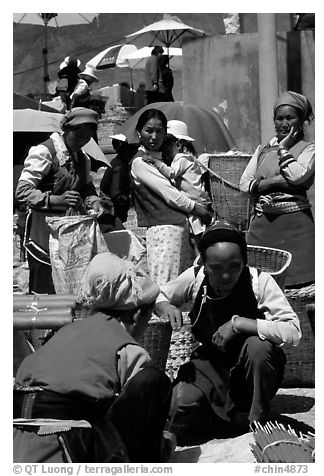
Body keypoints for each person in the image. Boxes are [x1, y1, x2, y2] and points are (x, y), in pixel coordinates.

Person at [13, 252, 176, 463]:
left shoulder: (66, 332)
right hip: (64, 442)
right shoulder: (128, 350)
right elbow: (133, 411)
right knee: (154, 381)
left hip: (15, 437)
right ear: (137, 316)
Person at [155, 220, 301, 445]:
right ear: (204, 264)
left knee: (259, 347)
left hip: (251, 368)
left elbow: (293, 331)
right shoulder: (195, 277)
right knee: (178, 405)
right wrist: (166, 306)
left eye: (234, 266)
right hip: (211, 366)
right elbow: (159, 294)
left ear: (244, 262)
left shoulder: (259, 281)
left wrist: (239, 324)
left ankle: (257, 418)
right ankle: (223, 416)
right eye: (216, 268)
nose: (225, 276)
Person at [15, 107, 103, 295]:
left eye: (87, 137)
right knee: (44, 288)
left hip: (70, 235)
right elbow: (22, 191)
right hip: (43, 233)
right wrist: (55, 200)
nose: (82, 141)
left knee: (70, 287)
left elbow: (86, 186)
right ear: (66, 129)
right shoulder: (44, 152)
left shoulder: (82, 158)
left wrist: (93, 201)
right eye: (79, 135)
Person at [240, 91, 315, 288]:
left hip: (297, 231)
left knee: (300, 289)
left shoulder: (309, 149)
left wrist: (283, 148)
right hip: (262, 230)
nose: (284, 123)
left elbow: (298, 175)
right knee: (260, 287)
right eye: (279, 118)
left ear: (301, 120)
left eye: (290, 118)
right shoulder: (262, 150)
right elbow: (244, 184)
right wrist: (275, 182)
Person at [130, 109, 213, 285]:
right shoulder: (140, 162)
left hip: (178, 229)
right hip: (164, 231)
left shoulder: (163, 160)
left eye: (159, 131)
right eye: (149, 130)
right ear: (139, 132)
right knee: (166, 286)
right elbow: (170, 195)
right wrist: (199, 210)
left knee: (182, 286)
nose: (154, 136)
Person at [144, 120, 212, 250]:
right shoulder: (186, 158)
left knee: (197, 238)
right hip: (196, 200)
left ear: (178, 144)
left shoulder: (182, 158)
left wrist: (155, 162)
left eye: (167, 144)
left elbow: (171, 173)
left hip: (195, 201)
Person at [100, 134, 138, 223]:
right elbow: (116, 194)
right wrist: (130, 201)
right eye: (133, 148)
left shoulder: (117, 163)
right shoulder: (119, 167)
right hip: (113, 214)